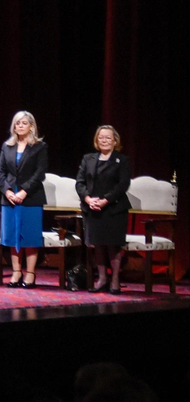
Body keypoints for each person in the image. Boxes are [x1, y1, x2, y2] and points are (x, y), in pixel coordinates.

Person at [76, 125, 132, 293]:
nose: (104, 140)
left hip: (114, 208)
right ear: (96, 140)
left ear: (115, 141)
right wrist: (87, 198)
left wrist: (105, 200)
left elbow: (123, 185)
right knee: (98, 245)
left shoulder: (122, 160)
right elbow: (79, 182)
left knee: (113, 245)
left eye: (108, 137)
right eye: (101, 137)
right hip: (93, 208)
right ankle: (102, 279)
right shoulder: (88, 159)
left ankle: (115, 280)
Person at [0, 111, 48, 288]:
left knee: (29, 236)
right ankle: (16, 272)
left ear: (31, 126)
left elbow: (39, 173)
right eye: (17, 123)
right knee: (12, 235)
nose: (20, 126)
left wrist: (24, 191)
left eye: (24, 123)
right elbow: (0, 172)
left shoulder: (39, 147)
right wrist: (7, 191)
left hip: (30, 197)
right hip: (10, 197)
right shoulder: (7, 146)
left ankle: (30, 273)